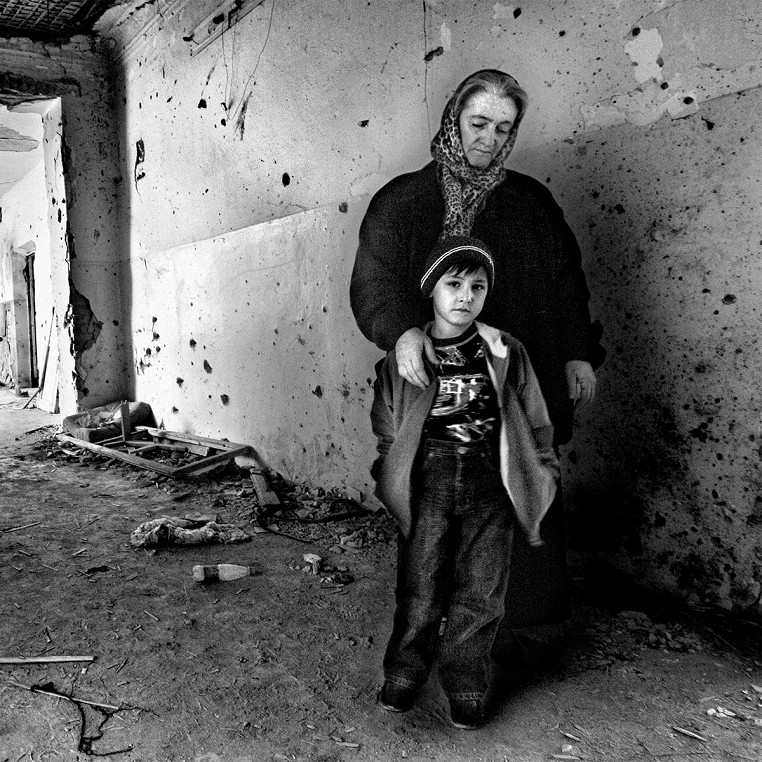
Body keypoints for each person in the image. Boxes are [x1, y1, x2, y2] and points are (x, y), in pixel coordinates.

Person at [350, 69, 604, 653]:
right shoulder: (404, 200)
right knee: (438, 501)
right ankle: (434, 627)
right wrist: (402, 332)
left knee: (521, 479)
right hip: (440, 381)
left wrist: (577, 354)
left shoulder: (531, 202)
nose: (489, 138)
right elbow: (373, 280)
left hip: (517, 373)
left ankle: (516, 626)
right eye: (479, 123)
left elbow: (566, 283)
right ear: (454, 120)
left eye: (503, 128)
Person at [370, 236, 559, 729]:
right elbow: (386, 420)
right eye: (453, 284)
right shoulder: (407, 353)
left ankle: (465, 682)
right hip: (428, 478)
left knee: (482, 589)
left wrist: (541, 470)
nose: (465, 297)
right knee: (420, 585)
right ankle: (405, 672)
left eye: (477, 287)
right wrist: (391, 470)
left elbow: (535, 417)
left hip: (489, 480)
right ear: (431, 290)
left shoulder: (505, 349)